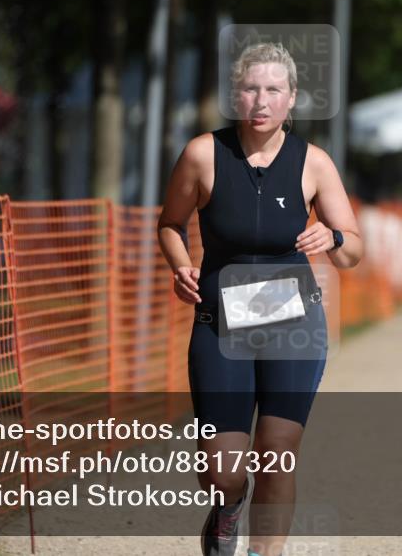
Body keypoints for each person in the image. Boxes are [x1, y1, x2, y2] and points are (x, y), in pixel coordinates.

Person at [157, 42, 363, 556]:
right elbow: (169, 224)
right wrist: (180, 264)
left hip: (292, 323)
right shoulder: (204, 154)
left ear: (292, 98)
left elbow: (354, 247)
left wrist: (333, 239)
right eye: (251, 89)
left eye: (274, 90)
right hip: (220, 325)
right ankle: (229, 508)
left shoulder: (313, 163)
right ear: (235, 96)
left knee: (277, 455)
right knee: (221, 470)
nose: (262, 100)